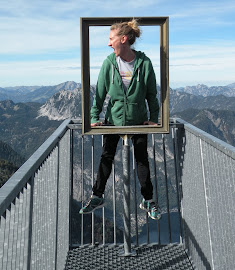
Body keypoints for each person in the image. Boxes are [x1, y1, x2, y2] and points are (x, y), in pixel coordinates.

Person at [79, 19, 161, 220]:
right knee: (106, 157)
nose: (108, 43)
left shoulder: (144, 63)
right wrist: (93, 117)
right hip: (113, 121)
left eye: (111, 39)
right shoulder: (109, 63)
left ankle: (148, 200)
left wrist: (153, 118)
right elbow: (99, 94)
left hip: (138, 121)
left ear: (123, 39)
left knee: (142, 159)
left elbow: (152, 94)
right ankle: (97, 196)